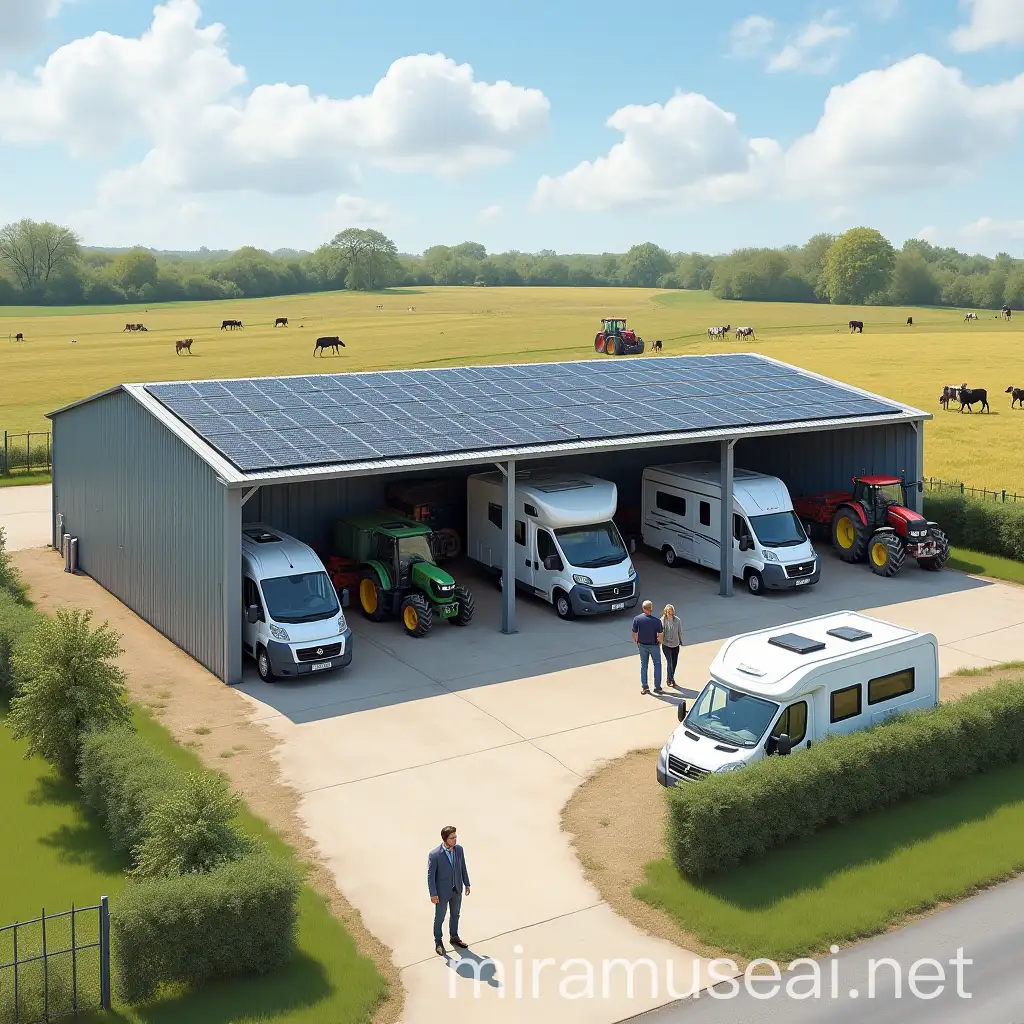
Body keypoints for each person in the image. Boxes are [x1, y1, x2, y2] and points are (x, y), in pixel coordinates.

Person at [427, 825, 471, 956]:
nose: (455, 839)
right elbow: (430, 876)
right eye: (452, 837)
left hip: (457, 889)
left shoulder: (459, 850)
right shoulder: (434, 855)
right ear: (445, 839)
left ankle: (454, 937)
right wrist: (433, 893)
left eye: (455, 837)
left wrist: (467, 883)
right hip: (441, 893)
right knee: (440, 917)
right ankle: (438, 941)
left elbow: (463, 867)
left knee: (455, 914)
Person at [631, 600, 663, 695]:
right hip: (654, 646)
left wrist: (637, 642)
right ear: (651, 609)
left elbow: (634, 633)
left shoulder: (637, 619)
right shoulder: (657, 621)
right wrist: (659, 643)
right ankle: (657, 687)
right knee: (657, 665)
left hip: (642, 645)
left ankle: (645, 687)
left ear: (643, 608)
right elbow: (660, 635)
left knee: (644, 665)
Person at [661, 604, 682, 688]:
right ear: (666, 612)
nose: (670, 613)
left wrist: (680, 640)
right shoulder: (663, 620)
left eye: (671, 611)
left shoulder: (677, 620)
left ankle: (670, 678)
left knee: (674, 663)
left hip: (675, 644)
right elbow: (660, 631)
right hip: (666, 645)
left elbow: (679, 631)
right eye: (669, 611)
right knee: (669, 663)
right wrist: (660, 641)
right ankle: (670, 680)